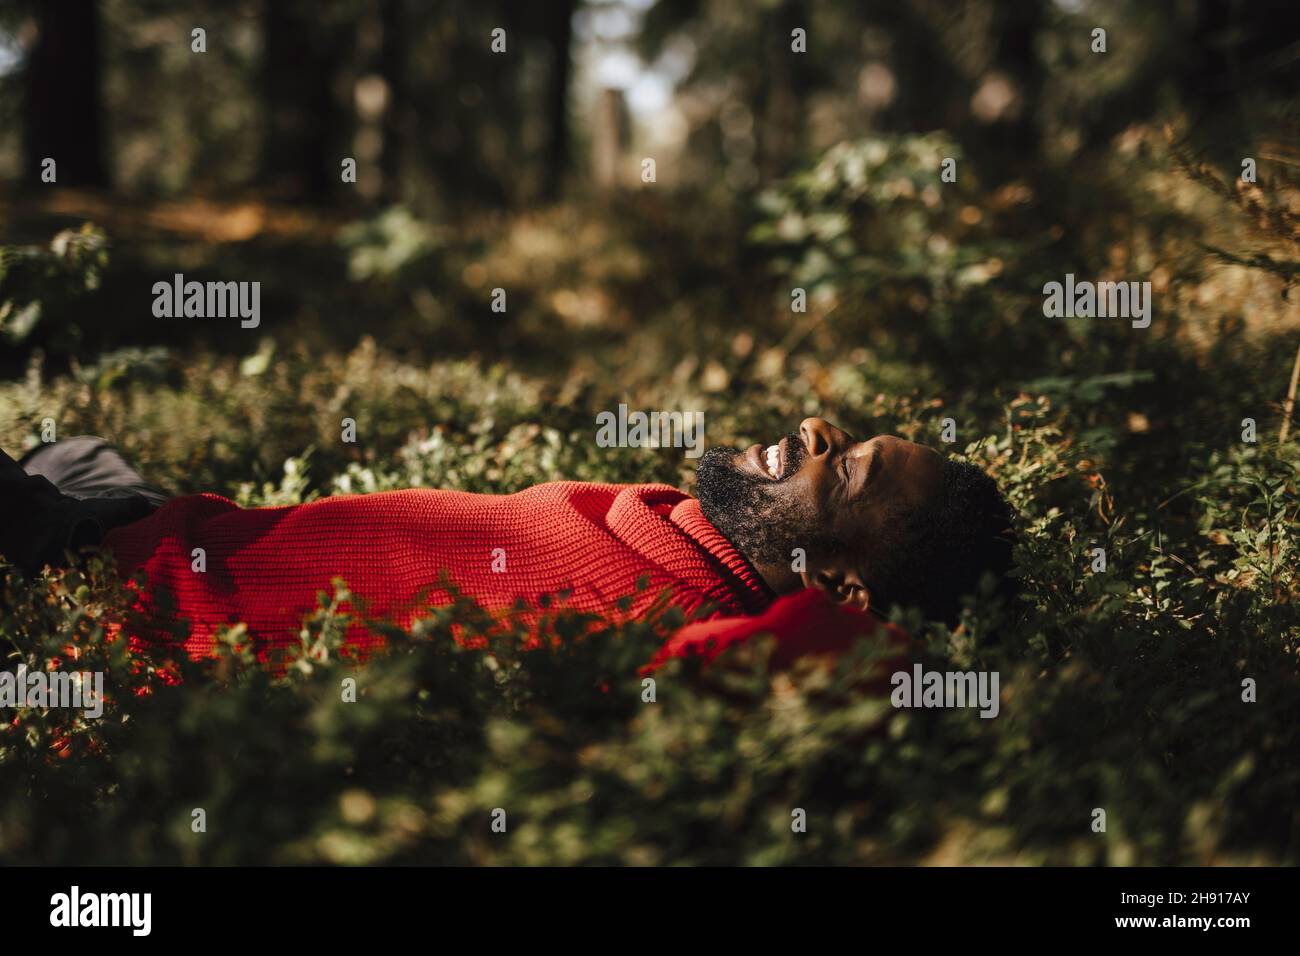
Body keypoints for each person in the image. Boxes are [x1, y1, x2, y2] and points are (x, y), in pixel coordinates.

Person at [0, 419, 1017, 671]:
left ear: (840, 586)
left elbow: (838, 661)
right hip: (165, 514)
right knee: (78, 448)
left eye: (841, 472)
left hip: (93, 581)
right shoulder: (687, 535)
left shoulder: (665, 636)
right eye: (839, 433)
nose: (814, 435)